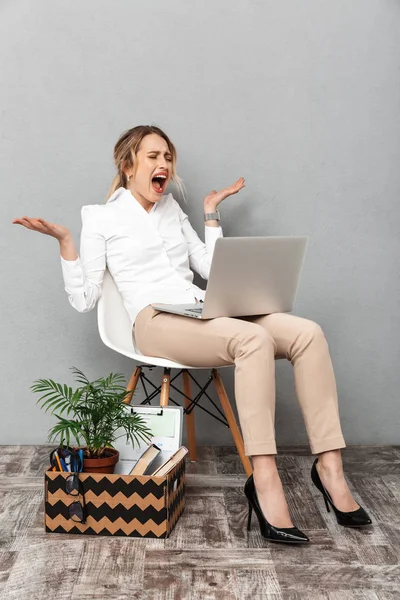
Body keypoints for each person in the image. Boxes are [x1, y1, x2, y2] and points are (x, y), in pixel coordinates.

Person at [13, 125, 372, 544]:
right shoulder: (100, 217)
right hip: (154, 324)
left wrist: (211, 215)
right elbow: (85, 298)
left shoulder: (171, 212)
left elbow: (210, 268)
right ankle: (265, 479)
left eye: (167, 157)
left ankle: (329, 468)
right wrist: (65, 243)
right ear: (128, 166)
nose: (163, 164)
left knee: (307, 333)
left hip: (202, 312)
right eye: (153, 157)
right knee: (252, 340)